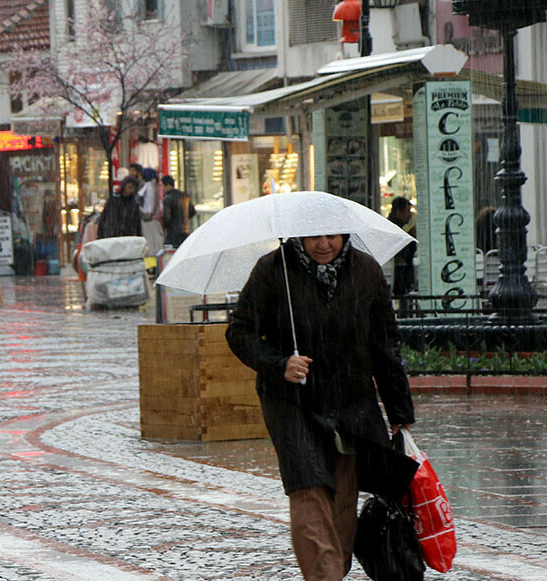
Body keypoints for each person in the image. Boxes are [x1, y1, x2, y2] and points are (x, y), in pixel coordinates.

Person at [226, 235, 416, 581]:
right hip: (292, 401)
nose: (324, 244)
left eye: (332, 236)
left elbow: (385, 344)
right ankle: (324, 577)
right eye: (315, 236)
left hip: (350, 399)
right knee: (308, 487)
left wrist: (399, 413)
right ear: (300, 235)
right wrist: (280, 362)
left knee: (344, 495)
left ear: (345, 235)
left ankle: (333, 572)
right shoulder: (273, 269)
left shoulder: (366, 271)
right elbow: (240, 332)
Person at [97, 165, 143, 239]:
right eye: (129, 187)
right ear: (124, 186)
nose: (131, 191)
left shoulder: (134, 204)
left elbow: (137, 225)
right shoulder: (113, 201)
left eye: (133, 189)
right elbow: (103, 220)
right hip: (112, 238)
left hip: (128, 239)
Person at [387, 197, 416, 298]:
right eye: (408, 211)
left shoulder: (397, 228)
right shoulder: (393, 229)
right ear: (399, 211)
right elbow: (402, 254)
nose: (410, 214)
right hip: (398, 275)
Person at [160, 175, 195, 248]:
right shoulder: (184, 195)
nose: (163, 189)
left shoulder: (167, 198)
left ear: (168, 185)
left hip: (172, 232)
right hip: (185, 230)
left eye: (163, 186)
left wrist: (165, 225)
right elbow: (192, 211)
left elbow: (166, 217)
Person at [137, 167, 165, 259]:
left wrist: (148, 213)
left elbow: (149, 202)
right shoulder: (153, 186)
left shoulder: (148, 187)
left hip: (147, 218)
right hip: (151, 218)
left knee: (149, 243)